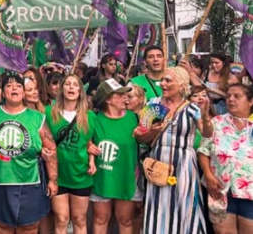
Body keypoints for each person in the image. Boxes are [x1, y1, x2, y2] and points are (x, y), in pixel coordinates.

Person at [0, 72, 58, 234]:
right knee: (1, 227)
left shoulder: (37, 117)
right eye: (9, 85)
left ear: (23, 92)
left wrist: (53, 179)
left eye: (18, 85)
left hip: (30, 181)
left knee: (29, 227)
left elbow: (51, 149)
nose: (14, 88)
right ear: (3, 92)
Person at [136, 66, 213, 234]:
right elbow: (141, 137)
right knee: (158, 205)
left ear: (181, 85)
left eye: (168, 80)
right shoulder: (152, 104)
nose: (162, 84)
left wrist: (206, 118)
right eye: (162, 80)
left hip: (184, 163)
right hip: (157, 161)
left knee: (182, 203)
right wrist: (153, 131)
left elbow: (207, 133)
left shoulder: (191, 108)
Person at [198, 82, 253, 233]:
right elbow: (203, 151)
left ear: (250, 101)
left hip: (250, 193)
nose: (231, 99)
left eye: (237, 96)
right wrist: (208, 176)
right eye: (228, 96)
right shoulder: (217, 122)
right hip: (221, 191)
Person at [45, 74, 95, 234]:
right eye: (67, 84)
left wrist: (92, 157)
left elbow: (91, 142)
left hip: (80, 175)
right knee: (61, 219)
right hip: (57, 175)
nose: (71, 87)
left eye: (75, 85)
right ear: (61, 89)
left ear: (80, 91)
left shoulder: (89, 116)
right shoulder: (49, 113)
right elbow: (42, 139)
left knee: (79, 219)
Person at [89, 79, 139, 234]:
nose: (126, 98)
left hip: (127, 177)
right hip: (103, 178)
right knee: (100, 219)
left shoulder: (133, 118)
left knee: (125, 219)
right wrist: (88, 145)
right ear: (108, 99)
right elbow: (83, 138)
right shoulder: (94, 118)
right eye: (121, 95)